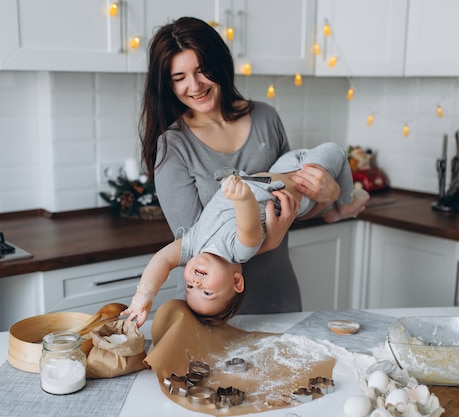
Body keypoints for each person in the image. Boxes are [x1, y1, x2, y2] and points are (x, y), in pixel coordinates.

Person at [132, 16, 367, 319]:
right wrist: (273, 239)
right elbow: (207, 248)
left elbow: (295, 202)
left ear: (221, 64)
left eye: (203, 70)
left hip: (277, 294)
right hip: (209, 309)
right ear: (167, 83)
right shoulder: (172, 146)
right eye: (179, 77)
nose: (195, 86)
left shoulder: (265, 118)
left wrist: (328, 194)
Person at [123, 143, 370, 326]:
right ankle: (346, 204)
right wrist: (242, 198)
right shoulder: (239, 251)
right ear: (236, 282)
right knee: (335, 151)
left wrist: (143, 297)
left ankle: (331, 207)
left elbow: (162, 260)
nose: (196, 283)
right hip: (299, 188)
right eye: (207, 292)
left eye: (189, 286)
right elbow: (249, 226)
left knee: (311, 161)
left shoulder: (192, 247)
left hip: (278, 172)